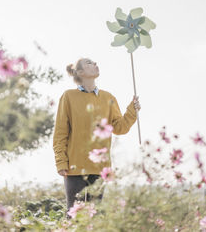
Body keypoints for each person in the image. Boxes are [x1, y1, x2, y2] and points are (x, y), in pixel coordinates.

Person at [52, 57, 141, 218]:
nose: (95, 64)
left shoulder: (108, 98)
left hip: (100, 168)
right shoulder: (68, 96)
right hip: (74, 167)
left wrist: (132, 110)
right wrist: (61, 161)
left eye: (94, 62)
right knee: (73, 216)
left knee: (94, 217)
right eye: (89, 63)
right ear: (80, 72)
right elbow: (60, 132)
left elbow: (120, 128)